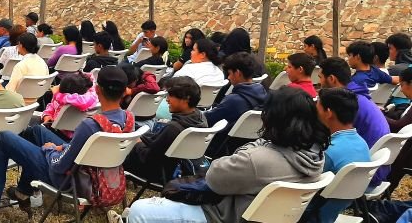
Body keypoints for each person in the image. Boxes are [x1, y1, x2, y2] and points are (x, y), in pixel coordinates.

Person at [127, 87, 329, 223]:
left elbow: (214, 176)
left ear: (273, 118)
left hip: (222, 215)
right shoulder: (314, 155)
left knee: (139, 210)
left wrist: (250, 149)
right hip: (259, 216)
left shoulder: (257, 160)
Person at [0, 66, 131, 217]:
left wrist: (49, 150)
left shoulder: (90, 126)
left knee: (4, 137)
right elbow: (83, 149)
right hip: (92, 173)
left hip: (69, 179)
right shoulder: (128, 119)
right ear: (124, 92)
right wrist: (62, 146)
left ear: (97, 90)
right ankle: (23, 191)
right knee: (37, 131)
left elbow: (60, 166)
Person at [301, 88, 371, 223]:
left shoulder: (329, 152)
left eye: (318, 106)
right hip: (334, 210)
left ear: (328, 113)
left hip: (312, 215)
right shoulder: (362, 143)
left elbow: (304, 183)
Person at [319, 56, 390, 186]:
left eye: (320, 77)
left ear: (331, 79)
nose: (320, 83)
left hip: (363, 174)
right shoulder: (357, 97)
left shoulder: (347, 103)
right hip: (374, 167)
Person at [123, 77, 208, 183]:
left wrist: (136, 143)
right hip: (175, 168)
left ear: (186, 98)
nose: (167, 99)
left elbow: (149, 158)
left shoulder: (174, 128)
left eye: (170, 96)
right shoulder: (200, 118)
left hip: (159, 173)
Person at [204, 51, 267, 158]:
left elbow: (207, 120)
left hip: (223, 150)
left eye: (229, 73)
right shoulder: (264, 94)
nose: (228, 77)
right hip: (252, 148)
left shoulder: (234, 101)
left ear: (237, 73)